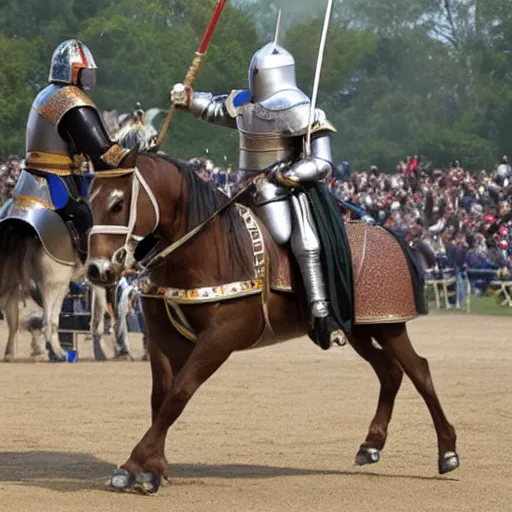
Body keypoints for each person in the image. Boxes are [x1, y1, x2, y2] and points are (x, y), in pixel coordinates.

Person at [169, 35, 340, 349]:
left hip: (281, 189)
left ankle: (320, 307)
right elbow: (216, 108)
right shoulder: (246, 103)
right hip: (241, 189)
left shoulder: (301, 107)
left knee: (297, 234)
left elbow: (323, 161)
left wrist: (291, 174)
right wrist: (188, 99)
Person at [23, 39, 137, 260]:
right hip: (58, 178)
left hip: (31, 179)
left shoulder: (45, 94)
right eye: (83, 72)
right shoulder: (71, 100)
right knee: (92, 216)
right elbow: (104, 155)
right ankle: (92, 269)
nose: (88, 78)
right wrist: (134, 155)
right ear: (72, 72)